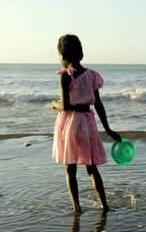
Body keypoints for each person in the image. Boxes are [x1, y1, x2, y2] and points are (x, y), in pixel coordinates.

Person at [52, 34, 121, 215]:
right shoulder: (92, 76)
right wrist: (108, 129)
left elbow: (66, 105)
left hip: (70, 123)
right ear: (81, 54)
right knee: (91, 167)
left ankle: (77, 207)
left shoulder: (65, 76)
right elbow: (98, 104)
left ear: (63, 56)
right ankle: (104, 205)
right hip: (88, 123)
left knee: (70, 168)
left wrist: (54, 104)